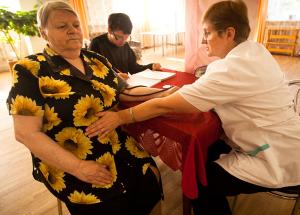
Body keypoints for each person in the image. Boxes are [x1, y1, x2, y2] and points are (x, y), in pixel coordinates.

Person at [85, 1, 300, 214]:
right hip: (289, 138)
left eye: (207, 32)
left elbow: (163, 105)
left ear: (229, 33)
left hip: (276, 157)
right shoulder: (256, 50)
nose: (203, 39)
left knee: (199, 182)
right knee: (206, 147)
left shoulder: (229, 69)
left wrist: (121, 117)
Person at [6, 1, 178, 214]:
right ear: (43, 33)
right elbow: (26, 133)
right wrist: (79, 168)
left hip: (118, 145)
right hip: (71, 159)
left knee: (149, 185)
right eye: (62, 26)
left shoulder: (96, 59)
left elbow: (125, 91)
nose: (72, 30)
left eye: (76, 25)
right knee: (109, 205)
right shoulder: (31, 69)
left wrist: (165, 92)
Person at [89, 13, 161, 79]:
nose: (122, 42)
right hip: (109, 89)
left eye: (126, 38)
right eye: (119, 37)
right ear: (109, 30)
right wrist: (115, 76)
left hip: (125, 85)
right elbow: (93, 74)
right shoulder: (97, 44)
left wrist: (151, 66)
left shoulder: (125, 45)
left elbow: (134, 68)